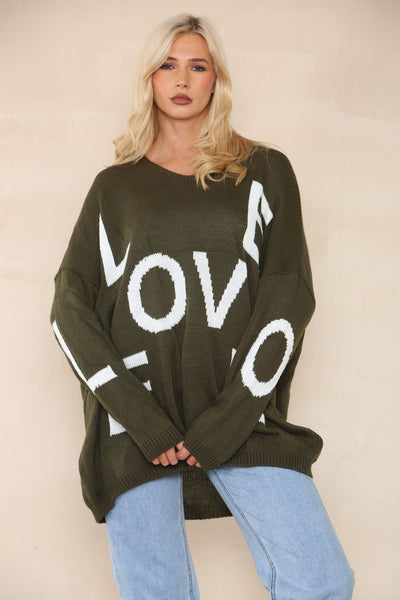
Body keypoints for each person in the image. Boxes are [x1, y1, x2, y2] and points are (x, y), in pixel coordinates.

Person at [50, 13, 355, 600]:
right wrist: (138, 416)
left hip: (239, 412)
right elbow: (70, 306)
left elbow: (288, 295)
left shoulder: (263, 171)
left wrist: (231, 416)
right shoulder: (115, 188)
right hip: (134, 425)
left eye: (198, 65)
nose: (182, 79)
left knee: (321, 580)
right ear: (150, 78)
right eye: (167, 65)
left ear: (217, 79)